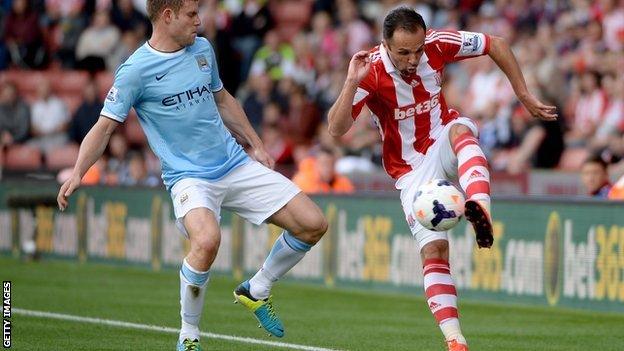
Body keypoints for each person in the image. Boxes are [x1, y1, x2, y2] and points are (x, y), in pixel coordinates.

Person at [56, 1, 327, 350]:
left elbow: (223, 99)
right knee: (206, 241)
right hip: (189, 177)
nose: (200, 20)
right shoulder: (135, 70)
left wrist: (256, 145)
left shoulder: (202, 48)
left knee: (313, 223)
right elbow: (104, 128)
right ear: (167, 16)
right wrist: (79, 172)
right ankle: (189, 335)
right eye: (191, 14)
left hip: (233, 163)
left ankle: (257, 289)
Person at [327, 7, 557, 351]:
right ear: (385, 46)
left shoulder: (437, 43)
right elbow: (336, 128)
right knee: (434, 250)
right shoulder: (370, 71)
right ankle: (456, 341)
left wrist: (522, 94)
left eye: (417, 50)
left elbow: (496, 43)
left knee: (463, 132)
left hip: (441, 136)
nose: (412, 59)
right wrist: (350, 81)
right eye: (403, 52)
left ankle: (480, 207)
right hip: (410, 171)